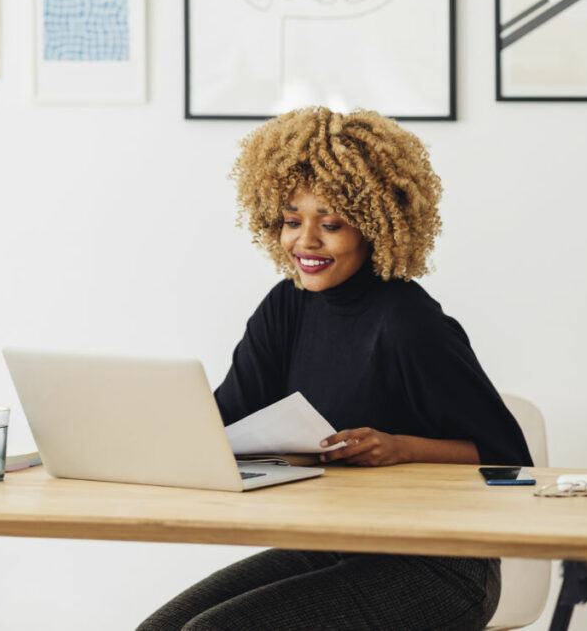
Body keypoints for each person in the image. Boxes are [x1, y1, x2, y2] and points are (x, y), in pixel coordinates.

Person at [138, 107, 532, 631]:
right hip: (333, 544)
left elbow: (513, 463)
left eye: (331, 224)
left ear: (374, 226)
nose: (306, 242)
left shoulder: (408, 322)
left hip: (439, 565)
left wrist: (401, 447)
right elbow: (222, 422)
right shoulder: (286, 307)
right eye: (291, 221)